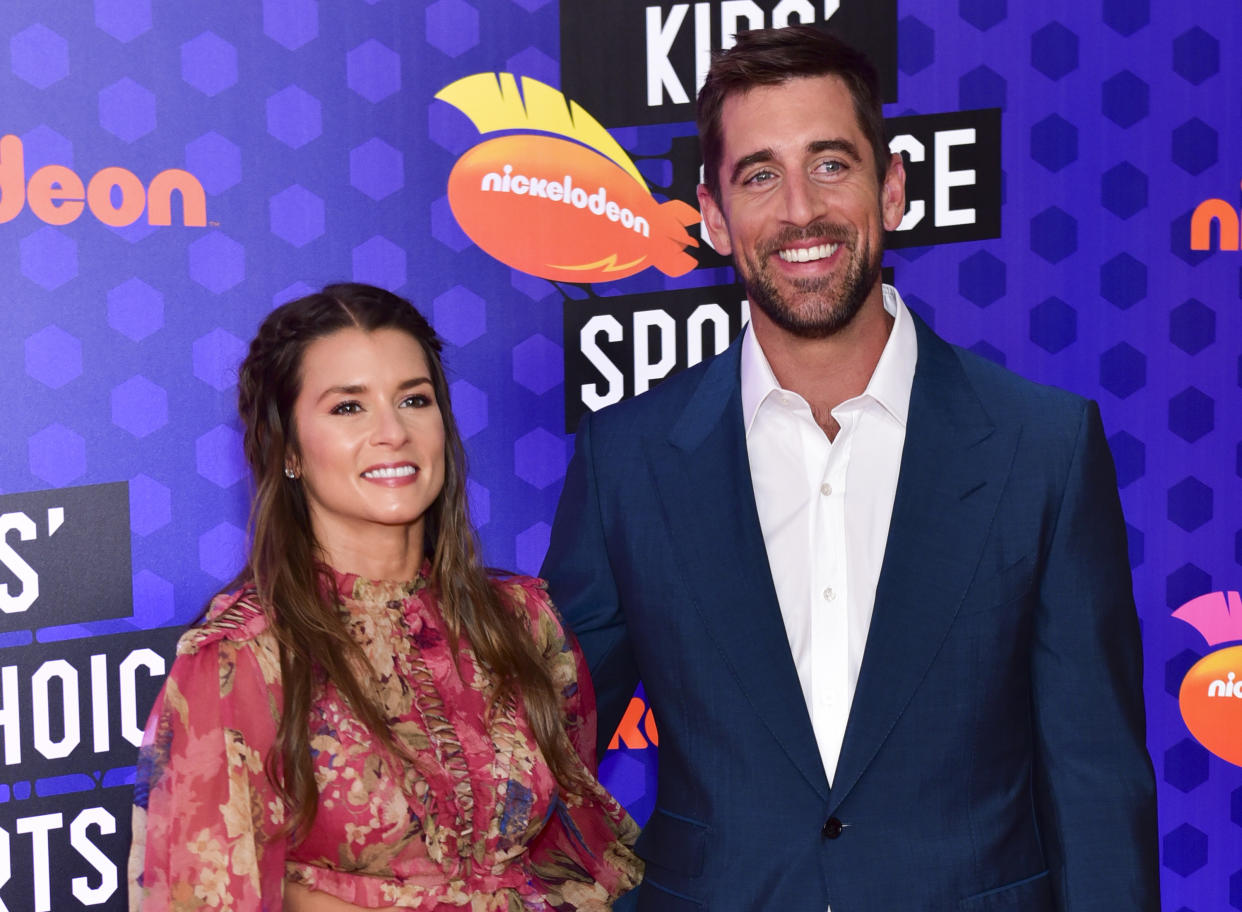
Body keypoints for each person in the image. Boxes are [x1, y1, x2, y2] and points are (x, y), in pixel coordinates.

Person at [541, 26, 1158, 911]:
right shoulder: (628, 461)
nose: (800, 210)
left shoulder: (1044, 446)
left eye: (830, 164)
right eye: (760, 175)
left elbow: (1097, 784)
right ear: (713, 218)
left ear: (894, 188)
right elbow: (539, 754)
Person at [128, 283, 641, 911]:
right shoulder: (243, 656)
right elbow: (201, 896)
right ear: (288, 448)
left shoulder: (523, 620)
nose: (392, 432)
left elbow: (572, 854)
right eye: (349, 408)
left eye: (414, 400)